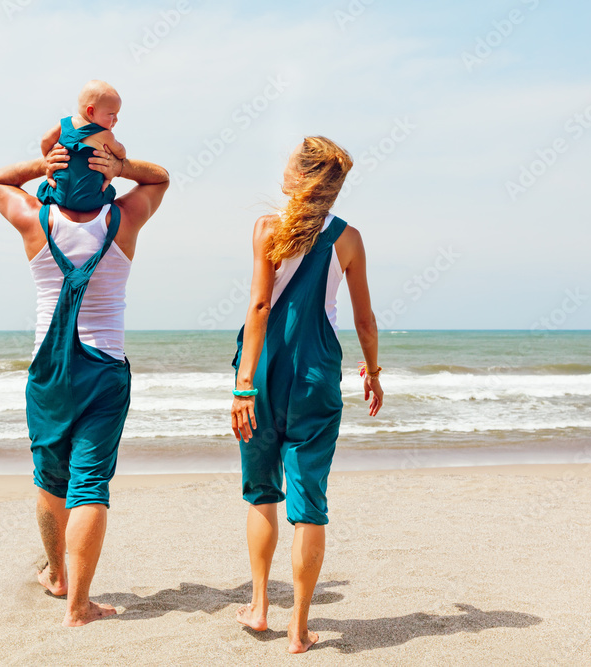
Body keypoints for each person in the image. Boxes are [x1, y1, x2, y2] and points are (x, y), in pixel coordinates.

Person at [0, 142, 168, 626]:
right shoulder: (123, 220)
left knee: (51, 478)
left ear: (53, 183)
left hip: (48, 373)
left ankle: (59, 577)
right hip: (104, 368)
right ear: (105, 183)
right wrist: (122, 167)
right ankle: (77, 606)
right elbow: (160, 178)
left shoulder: (34, 220)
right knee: (89, 483)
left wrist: (40, 162)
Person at [230, 136, 384, 653]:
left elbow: (258, 309)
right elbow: (364, 318)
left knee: (261, 492)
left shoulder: (267, 229)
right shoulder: (349, 239)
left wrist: (244, 385)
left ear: (297, 176)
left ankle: (258, 607)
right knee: (309, 501)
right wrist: (373, 370)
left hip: (266, 370)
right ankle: (299, 628)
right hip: (317, 370)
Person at [35, 80, 128, 212]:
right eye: (112, 114)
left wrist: (48, 158)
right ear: (91, 112)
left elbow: (45, 140)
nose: (116, 119)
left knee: (46, 188)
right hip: (90, 200)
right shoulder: (105, 135)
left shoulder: (64, 124)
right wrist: (118, 155)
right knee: (110, 191)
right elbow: (120, 152)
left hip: (58, 195)